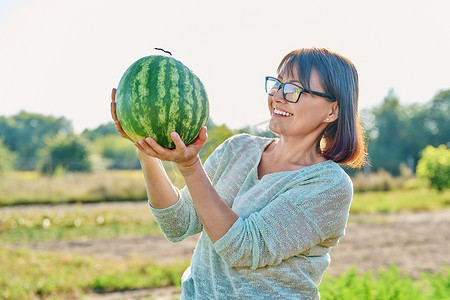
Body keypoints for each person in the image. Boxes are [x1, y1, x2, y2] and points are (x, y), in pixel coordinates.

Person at [111, 47, 366, 299]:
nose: (278, 96)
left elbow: (242, 248)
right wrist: (144, 144)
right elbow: (178, 223)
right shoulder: (238, 148)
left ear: (332, 110)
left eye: (294, 90)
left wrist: (190, 167)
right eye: (277, 84)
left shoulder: (329, 186)